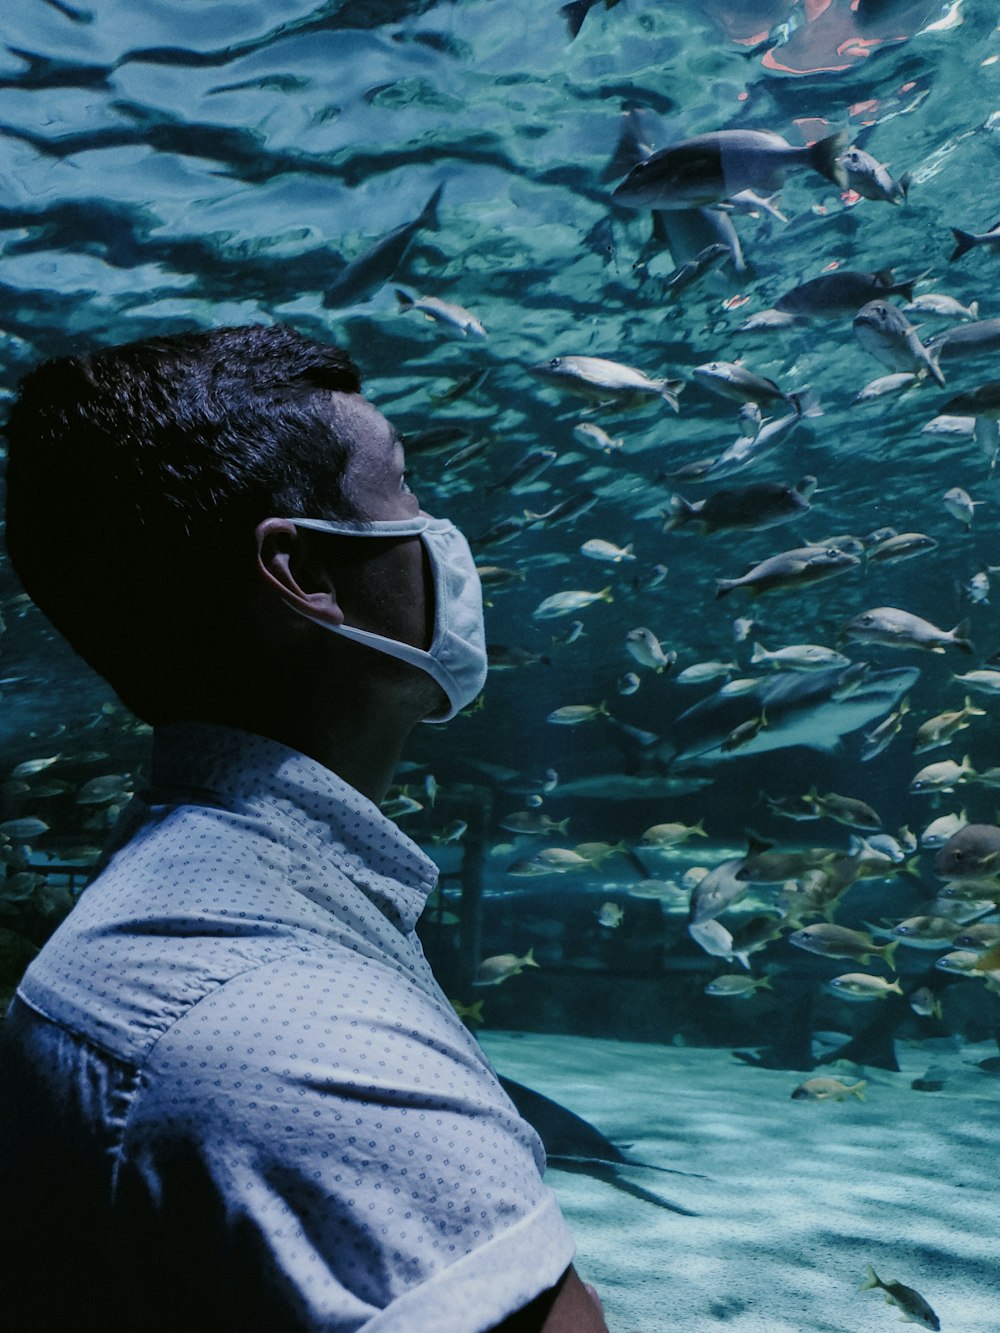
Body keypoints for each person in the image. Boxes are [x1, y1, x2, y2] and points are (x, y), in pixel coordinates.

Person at [0, 325, 610, 1332]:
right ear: (304, 572)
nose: (438, 534)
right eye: (406, 487)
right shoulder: (300, 1042)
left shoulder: (180, 917)